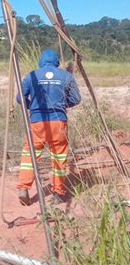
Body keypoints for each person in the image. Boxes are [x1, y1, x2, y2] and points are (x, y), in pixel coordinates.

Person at [16, 49, 81, 206]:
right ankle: (57, 193)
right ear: (57, 62)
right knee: (58, 158)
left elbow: (20, 98)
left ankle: (24, 188)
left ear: (41, 62)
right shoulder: (66, 76)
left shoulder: (32, 75)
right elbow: (76, 98)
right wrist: (61, 106)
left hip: (37, 123)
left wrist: (33, 107)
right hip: (59, 122)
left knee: (30, 156)